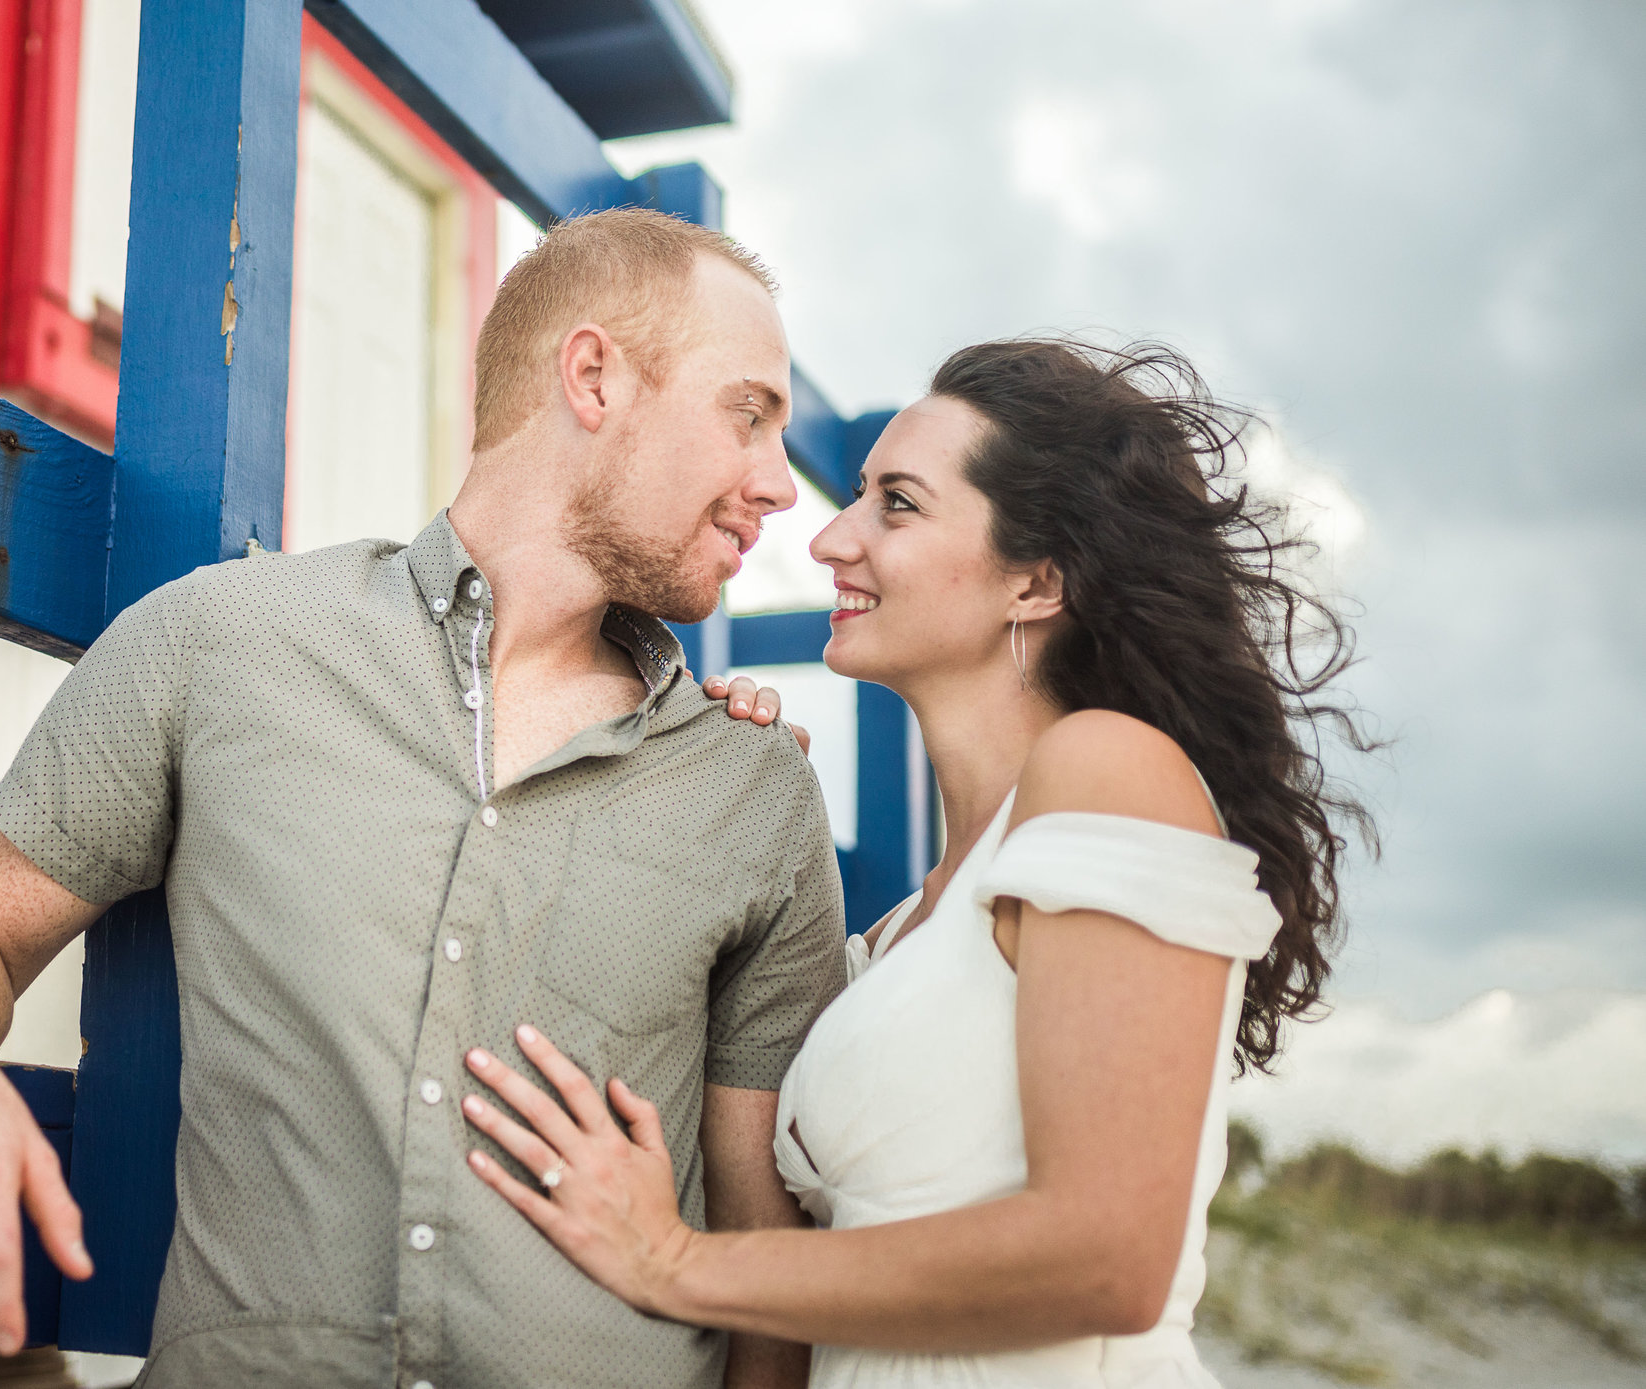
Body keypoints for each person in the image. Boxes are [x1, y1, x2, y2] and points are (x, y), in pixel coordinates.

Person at [0, 208, 850, 1389]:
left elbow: (760, 1257)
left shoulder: (752, 790)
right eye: (748, 413)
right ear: (592, 376)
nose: (779, 487)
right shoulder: (218, 644)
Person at [460, 339, 1371, 1387]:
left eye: (896, 504)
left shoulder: (1107, 768)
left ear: (1035, 580)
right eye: (856, 496)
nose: (832, 539)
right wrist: (705, 773)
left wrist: (671, 1262)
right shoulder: (896, 934)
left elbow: (1110, 1258)